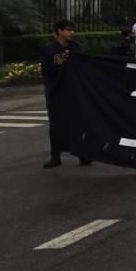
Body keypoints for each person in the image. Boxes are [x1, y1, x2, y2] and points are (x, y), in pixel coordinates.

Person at [41, 20, 92, 169]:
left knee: (78, 123)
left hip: (74, 92)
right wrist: (60, 62)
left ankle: (83, 155)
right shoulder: (49, 49)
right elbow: (46, 71)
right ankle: (55, 157)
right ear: (59, 31)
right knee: (57, 125)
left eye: (72, 30)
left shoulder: (77, 47)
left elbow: (86, 66)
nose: (72, 33)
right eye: (68, 30)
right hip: (56, 92)